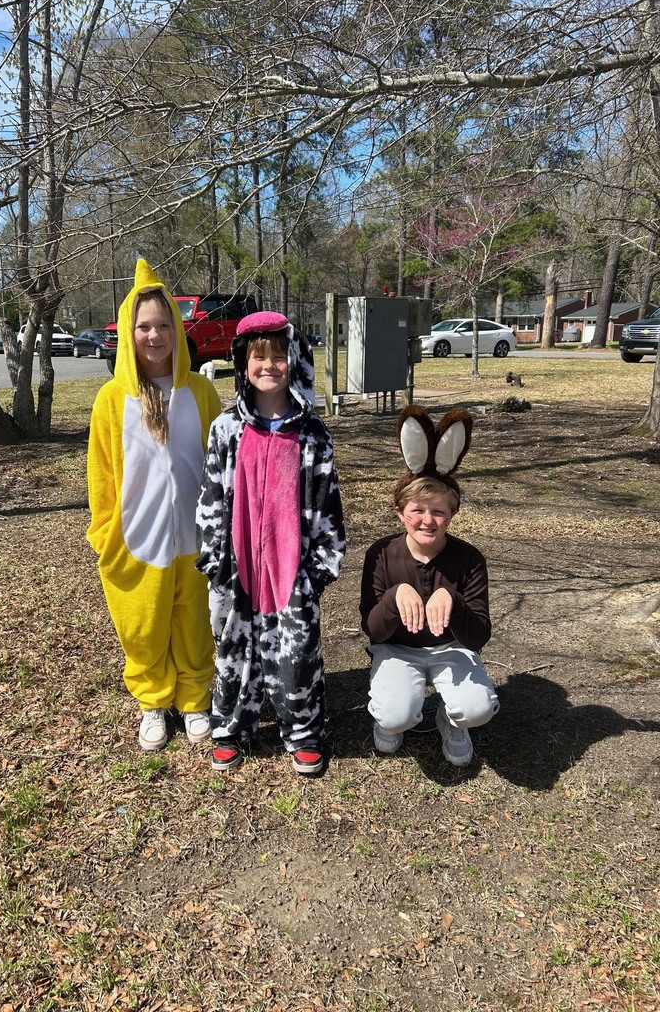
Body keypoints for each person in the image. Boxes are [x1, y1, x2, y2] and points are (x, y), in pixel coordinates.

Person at [195, 310, 345, 775]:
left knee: (296, 652)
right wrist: (215, 559)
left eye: (279, 357)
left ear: (295, 360)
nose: (269, 367)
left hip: (292, 567)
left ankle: (302, 731)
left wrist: (319, 567)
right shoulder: (226, 430)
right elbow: (211, 494)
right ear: (242, 363)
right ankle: (231, 727)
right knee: (233, 648)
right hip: (236, 568)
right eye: (259, 358)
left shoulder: (312, 435)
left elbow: (327, 501)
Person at [87, 260, 221, 752]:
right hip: (136, 537)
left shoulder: (200, 391)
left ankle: (193, 700)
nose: (154, 335)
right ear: (129, 331)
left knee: (194, 621)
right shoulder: (111, 399)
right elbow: (100, 476)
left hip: (196, 533)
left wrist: (221, 526)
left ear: (177, 330)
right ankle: (153, 701)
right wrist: (105, 533)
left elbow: (219, 461)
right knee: (143, 625)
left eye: (164, 325)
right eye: (144, 326)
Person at [360, 405, 499, 766]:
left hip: (451, 648)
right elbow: (373, 630)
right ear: (399, 512)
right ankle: (394, 719)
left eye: (438, 511)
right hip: (397, 649)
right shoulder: (381, 554)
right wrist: (394, 597)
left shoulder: (469, 558)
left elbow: (479, 635)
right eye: (417, 510)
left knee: (477, 707)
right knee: (395, 714)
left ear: (451, 514)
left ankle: (451, 719)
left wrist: (451, 599)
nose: (427, 520)